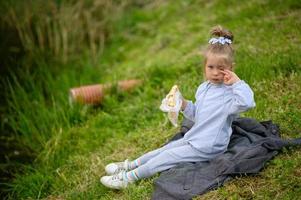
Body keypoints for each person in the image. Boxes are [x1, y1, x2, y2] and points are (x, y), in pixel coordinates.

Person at [100, 25, 256, 190]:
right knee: (164, 149)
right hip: (195, 137)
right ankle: (130, 165)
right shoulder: (204, 88)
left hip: (209, 145)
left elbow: (247, 103)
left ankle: (128, 178)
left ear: (231, 68)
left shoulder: (231, 94)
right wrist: (183, 104)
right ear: (205, 66)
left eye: (221, 68)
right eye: (211, 67)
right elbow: (198, 115)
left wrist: (237, 83)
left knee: (167, 156)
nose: (215, 73)